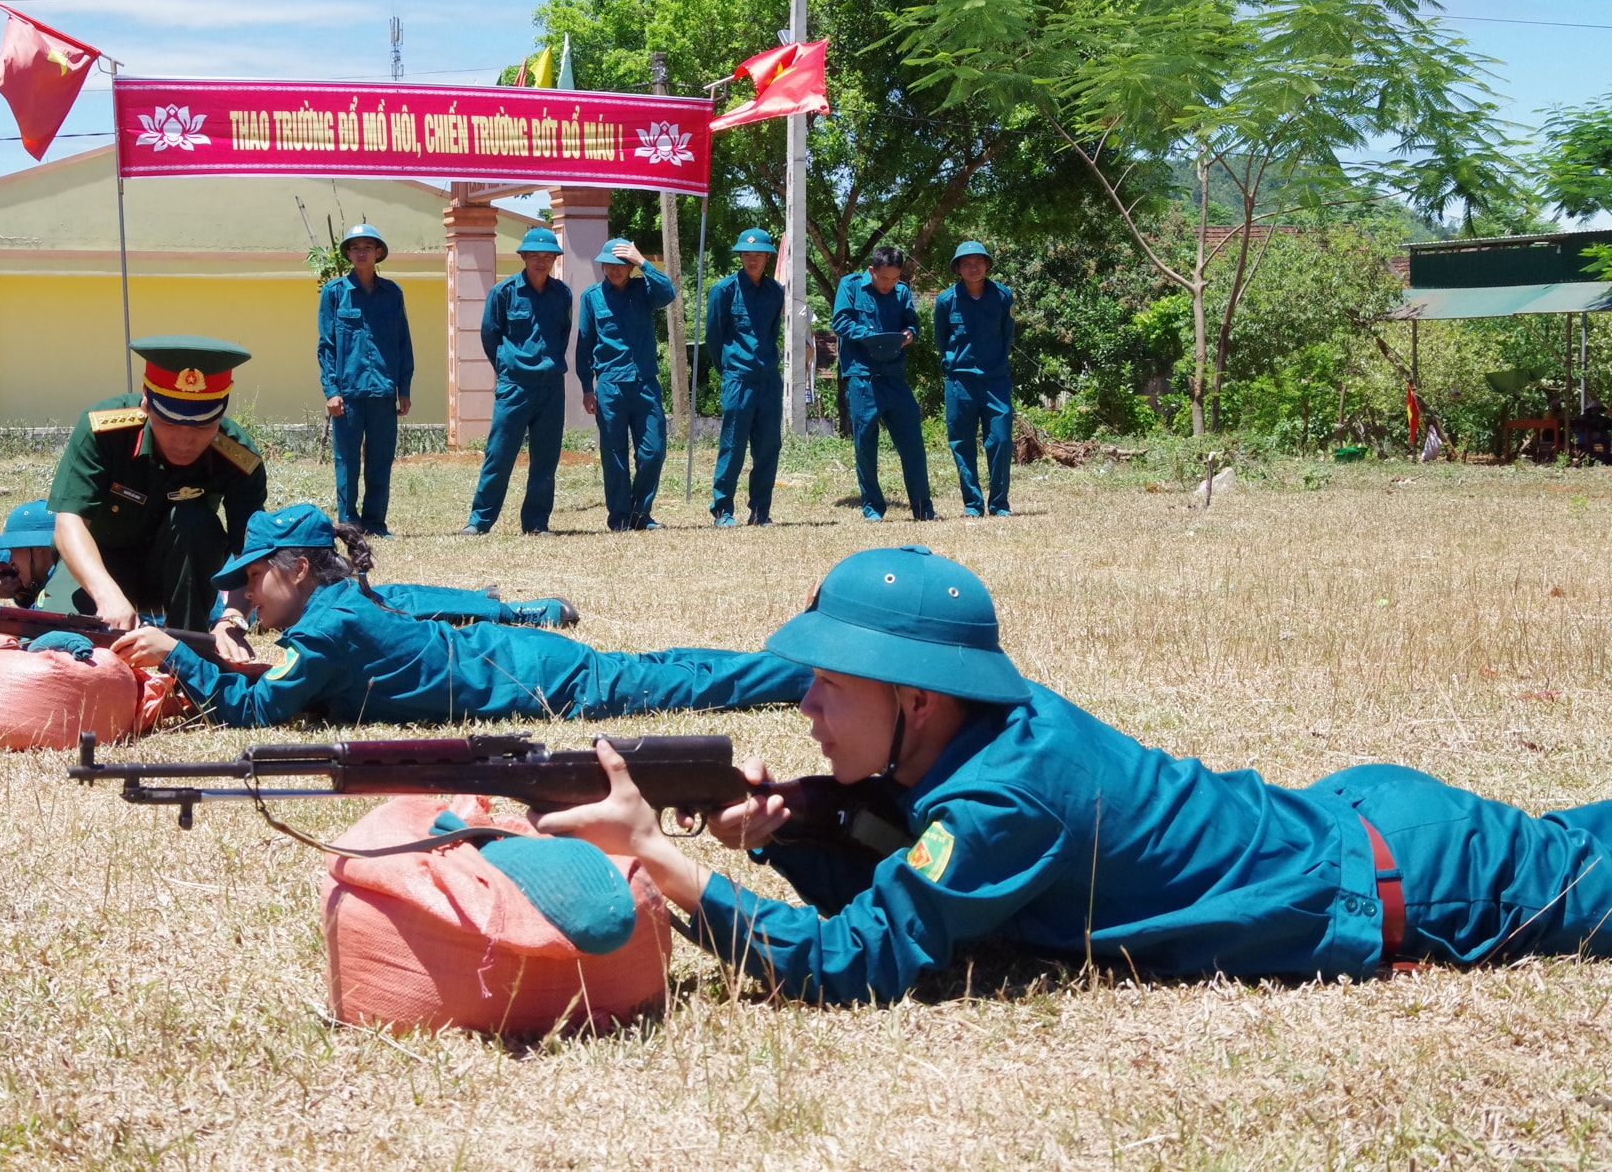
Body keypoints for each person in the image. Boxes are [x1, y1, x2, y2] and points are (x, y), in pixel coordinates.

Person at [534, 545, 1612, 1005]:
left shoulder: (1007, 794)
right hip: (1364, 823)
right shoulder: (984, 737)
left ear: (917, 695)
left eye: (829, 684)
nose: (805, 706)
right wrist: (787, 829)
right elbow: (918, 877)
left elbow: (854, 965)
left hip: (1420, 877)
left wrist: (661, 862)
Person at [114, 503, 811, 726]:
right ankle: (791, 666)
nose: (247, 595)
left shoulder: (327, 625)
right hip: (516, 659)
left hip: (539, 677)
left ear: (295, 567)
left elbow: (262, 710)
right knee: (667, 671)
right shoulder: (333, 607)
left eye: (254, 579)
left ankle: (797, 674)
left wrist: (177, 656)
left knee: (676, 682)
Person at [42, 335, 267, 633]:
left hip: (183, 577)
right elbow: (68, 523)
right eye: (170, 424)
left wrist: (233, 619)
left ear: (221, 413)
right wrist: (106, 595)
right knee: (61, 642)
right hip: (98, 565)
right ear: (147, 403)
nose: (185, 441)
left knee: (195, 523)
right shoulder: (104, 432)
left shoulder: (238, 456)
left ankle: (187, 649)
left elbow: (249, 552)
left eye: (202, 426)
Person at [464, 226, 573, 536]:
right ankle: (479, 520)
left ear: (554, 259)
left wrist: (548, 363)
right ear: (523, 256)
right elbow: (490, 334)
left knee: (546, 458)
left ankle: (536, 523)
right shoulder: (504, 292)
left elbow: (562, 333)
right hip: (515, 386)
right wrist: (506, 364)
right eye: (534, 255)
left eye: (548, 256)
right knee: (499, 453)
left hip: (551, 386)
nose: (541, 261)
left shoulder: (562, 293)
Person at [318, 224, 413, 538]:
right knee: (346, 462)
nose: (361, 252)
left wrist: (404, 388)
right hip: (348, 393)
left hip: (383, 391)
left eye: (367, 247)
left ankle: (375, 522)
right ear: (347, 253)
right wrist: (331, 390)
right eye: (355, 247)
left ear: (378, 253)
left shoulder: (392, 293)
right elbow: (326, 346)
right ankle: (348, 522)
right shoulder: (334, 293)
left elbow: (403, 342)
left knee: (380, 460)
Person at [576, 238, 676, 531]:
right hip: (610, 386)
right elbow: (584, 345)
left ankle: (640, 513)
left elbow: (668, 293)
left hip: (644, 383)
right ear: (602, 265)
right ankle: (619, 516)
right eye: (609, 264)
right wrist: (586, 387)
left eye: (622, 264)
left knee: (653, 451)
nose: (615, 270)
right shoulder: (592, 297)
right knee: (614, 454)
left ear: (630, 267)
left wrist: (643, 261)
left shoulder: (644, 292)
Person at [832, 245, 936, 521]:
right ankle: (873, 509)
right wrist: (868, 335)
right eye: (884, 279)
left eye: (894, 278)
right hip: (862, 378)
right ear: (871, 271)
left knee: (913, 444)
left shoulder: (902, 292)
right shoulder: (851, 286)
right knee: (865, 446)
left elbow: (911, 324)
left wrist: (908, 334)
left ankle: (923, 510)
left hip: (894, 378)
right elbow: (840, 322)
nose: (889, 285)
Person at [706, 228, 784, 528]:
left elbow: (773, 332)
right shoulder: (723, 290)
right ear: (740, 257)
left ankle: (760, 511)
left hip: (768, 379)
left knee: (768, 446)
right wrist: (728, 369)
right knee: (733, 445)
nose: (752, 260)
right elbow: (714, 336)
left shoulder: (776, 292)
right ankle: (723, 509)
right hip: (738, 378)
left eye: (758, 255)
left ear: (767, 257)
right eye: (747, 255)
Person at [934, 240, 1016, 517]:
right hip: (960, 382)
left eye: (979, 262)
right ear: (957, 268)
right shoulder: (946, 300)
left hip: (996, 381)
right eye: (967, 263)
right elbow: (941, 338)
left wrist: (995, 363)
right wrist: (953, 363)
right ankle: (972, 504)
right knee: (961, 442)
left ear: (988, 265)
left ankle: (999, 503)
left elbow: (1008, 335)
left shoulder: (1003, 296)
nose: (973, 267)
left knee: (1001, 440)